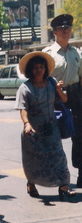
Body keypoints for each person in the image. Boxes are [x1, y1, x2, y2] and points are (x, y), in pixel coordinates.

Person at [15, 52, 75, 200]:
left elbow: (65, 99)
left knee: (58, 156)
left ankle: (64, 185)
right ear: (30, 70)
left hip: (51, 127)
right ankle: (31, 183)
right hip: (33, 130)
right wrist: (27, 124)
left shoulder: (52, 82)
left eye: (41, 67)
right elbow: (23, 109)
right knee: (33, 159)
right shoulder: (25, 88)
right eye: (35, 67)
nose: (39, 70)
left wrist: (60, 90)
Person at [43, 13, 82, 188]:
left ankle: (81, 173)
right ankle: (57, 176)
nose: (65, 31)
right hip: (54, 98)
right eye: (61, 29)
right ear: (55, 33)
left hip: (75, 96)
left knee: (80, 136)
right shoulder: (47, 54)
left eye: (68, 28)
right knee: (54, 138)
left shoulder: (76, 53)